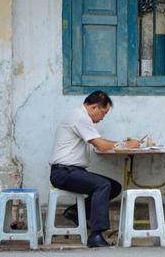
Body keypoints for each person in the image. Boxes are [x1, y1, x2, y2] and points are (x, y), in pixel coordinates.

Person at [49, 91, 121, 248]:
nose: (102, 118)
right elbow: (101, 145)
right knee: (102, 185)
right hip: (63, 173)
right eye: (103, 113)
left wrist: (120, 144)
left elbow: (100, 142)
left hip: (73, 171)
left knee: (114, 187)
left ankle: (74, 212)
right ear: (94, 107)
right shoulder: (80, 117)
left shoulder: (80, 117)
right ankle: (96, 235)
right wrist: (124, 145)